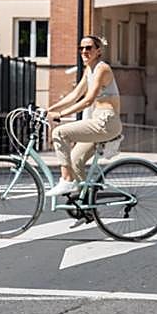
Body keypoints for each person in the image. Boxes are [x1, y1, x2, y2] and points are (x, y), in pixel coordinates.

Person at [44, 35, 122, 198]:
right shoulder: (89, 70)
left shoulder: (102, 68)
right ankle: (85, 201)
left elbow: (88, 100)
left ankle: (66, 180)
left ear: (98, 51)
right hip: (97, 121)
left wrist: (61, 114)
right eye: (81, 48)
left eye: (89, 48)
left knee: (59, 132)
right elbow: (75, 94)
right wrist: (49, 109)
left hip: (106, 121)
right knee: (74, 160)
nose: (84, 51)